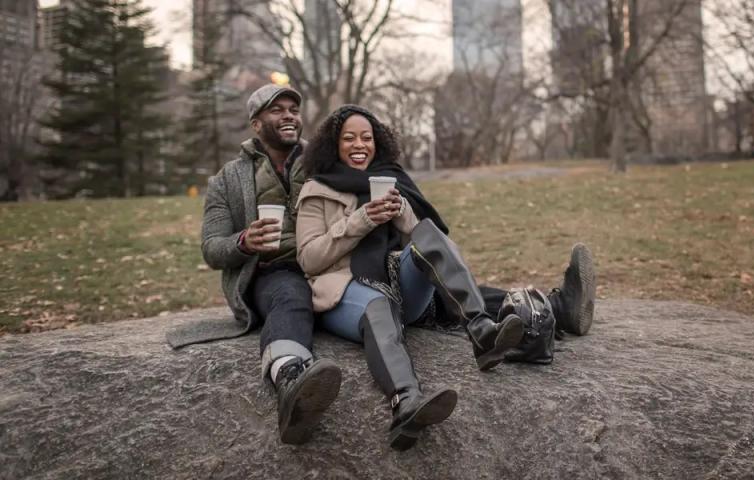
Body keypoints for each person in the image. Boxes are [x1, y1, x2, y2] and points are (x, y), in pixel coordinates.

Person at [295, 104, 596, 450]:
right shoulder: (316, 190)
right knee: (378, 307)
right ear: (333, 145)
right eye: (349, 138)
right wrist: (361, 219)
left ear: (378, 142)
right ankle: (406, 402)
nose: (359, 144)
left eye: (367, 137)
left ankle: (482, 331)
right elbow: (309, 259)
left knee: (428, 234)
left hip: (399, 287)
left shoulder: (392, 179)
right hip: (346, 291)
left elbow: (427, 243)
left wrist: (402, 211)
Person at [167, 83, 342, 445]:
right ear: (255, 123)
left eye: (293, 108)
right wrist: (244, 242)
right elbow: (212, 248)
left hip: (328, 263)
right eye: (277, 110)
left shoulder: (322, 163)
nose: (289, 115)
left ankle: (484, 313)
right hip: (273, 273)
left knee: (391, 279)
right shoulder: (228, 179)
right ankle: (291, 380)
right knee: (291, 295)